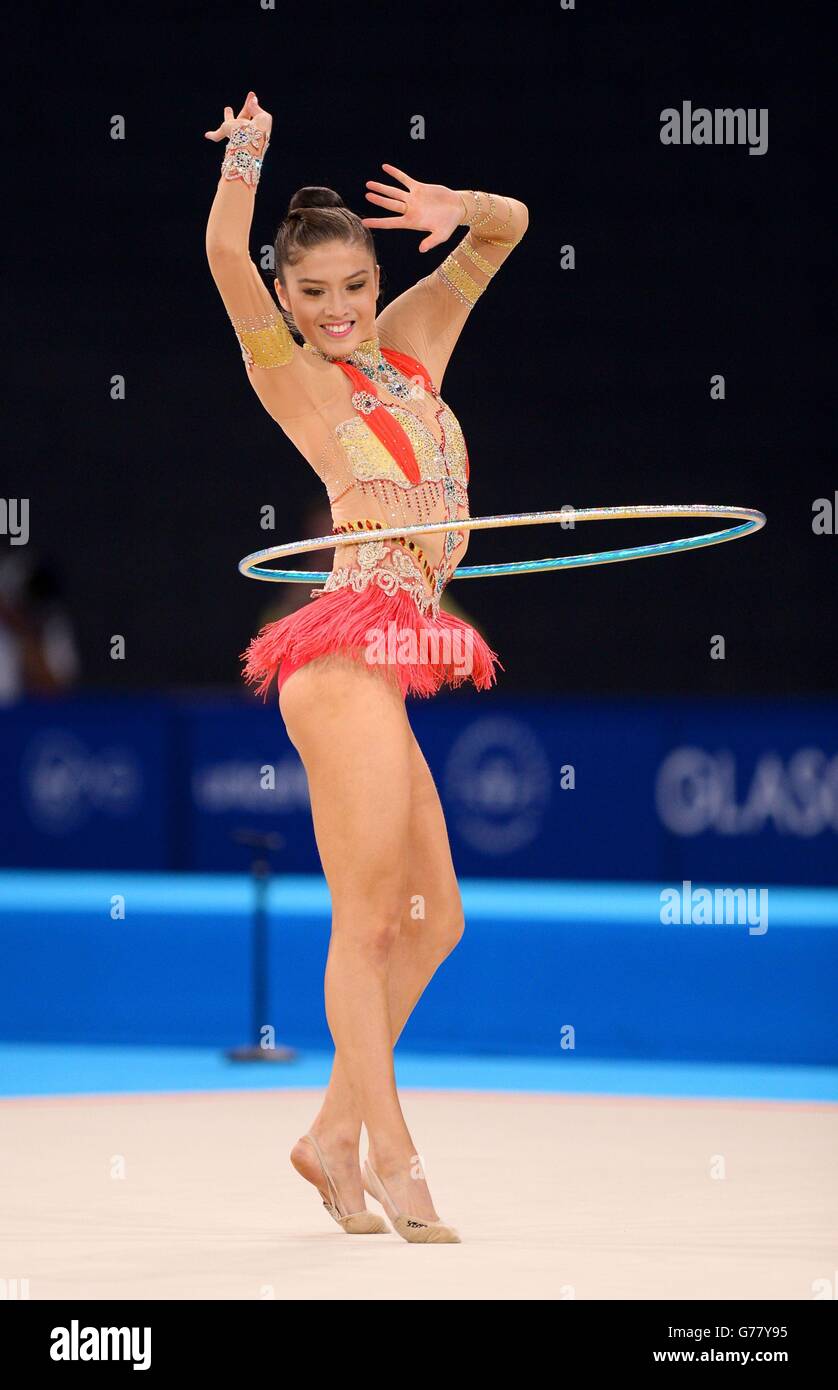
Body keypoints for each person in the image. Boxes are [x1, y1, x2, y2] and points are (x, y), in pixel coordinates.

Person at [205, 92, 528, 1242]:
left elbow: (511, 227)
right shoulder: (290, 376)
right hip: (342, 650)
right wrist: (247, 155)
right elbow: (218, 253)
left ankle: (329, 1134)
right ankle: (394, 1155)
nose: (338, 311)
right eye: (314, 294)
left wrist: (458, 206)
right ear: (286, 300)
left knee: (436, 917)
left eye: (352, 287)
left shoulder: (416, 343)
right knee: (371, 920)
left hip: (393, 655)